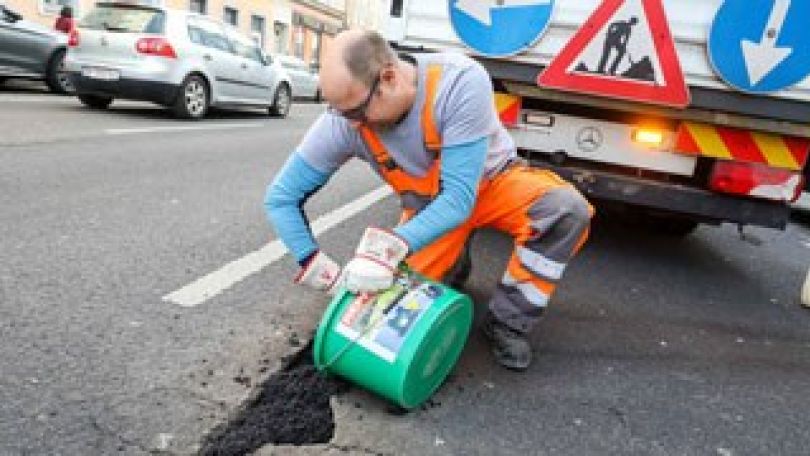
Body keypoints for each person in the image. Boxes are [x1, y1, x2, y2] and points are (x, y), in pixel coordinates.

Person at [265, 30, 593, 371]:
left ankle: (508, 320)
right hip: (429, 210)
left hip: (493, 184)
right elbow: (281, 198)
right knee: (388, 313)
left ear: (388, 78)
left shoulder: (458, 83)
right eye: (340, 113)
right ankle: (453, 260)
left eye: (356, 113)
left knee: (565, 212)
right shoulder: (344, 119)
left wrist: (388, 249)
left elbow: (459, 198)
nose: (350, 124)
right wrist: (313, 264)